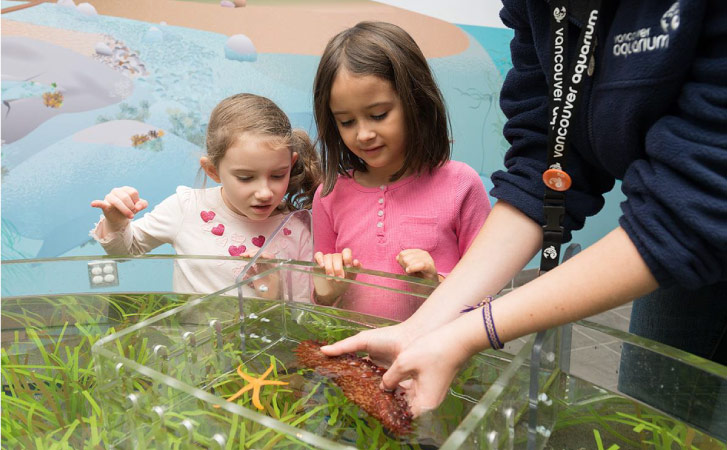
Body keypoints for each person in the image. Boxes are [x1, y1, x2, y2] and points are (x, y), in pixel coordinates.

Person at [321, 0, 727, 433]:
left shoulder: (457, 184)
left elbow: (695, 202)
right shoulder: (536, 9)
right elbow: (546, 161)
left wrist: (463, 333)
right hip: (679, 243)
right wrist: (423, 328)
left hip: (693, 223)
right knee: (652, 408)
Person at [310, 21, 492, 321]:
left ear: (416, 102)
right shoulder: (328, 195)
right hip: (354, 360)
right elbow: (322, 304)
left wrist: (436, 286)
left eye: (378, 115)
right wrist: (326, 292)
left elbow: (486, 292)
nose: (364, 134)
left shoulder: (461, 185)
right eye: (346, 121)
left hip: (436, 356)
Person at [90, 93, 322, 295]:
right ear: (213, 171)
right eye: (245, 178)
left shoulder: (297, 229)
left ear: (290, 165)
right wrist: (115, 221)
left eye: (277, 175)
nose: (264, 193)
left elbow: (301, 312)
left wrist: (273, 289)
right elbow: (126, 251)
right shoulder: (186, 208)